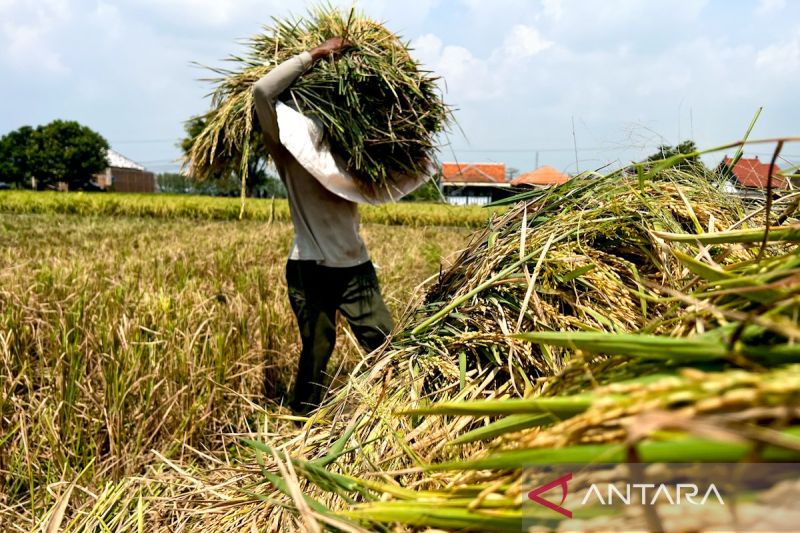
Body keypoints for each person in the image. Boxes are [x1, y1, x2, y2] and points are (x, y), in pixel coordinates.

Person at [252, 38, 394, 415]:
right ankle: (303, 419)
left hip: (355, 267)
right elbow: (262, 91)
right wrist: (313, 55)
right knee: (318, 347)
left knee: (385, 341)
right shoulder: (287, 148)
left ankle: (391, 410)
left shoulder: (355, 153)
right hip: (309, 267)